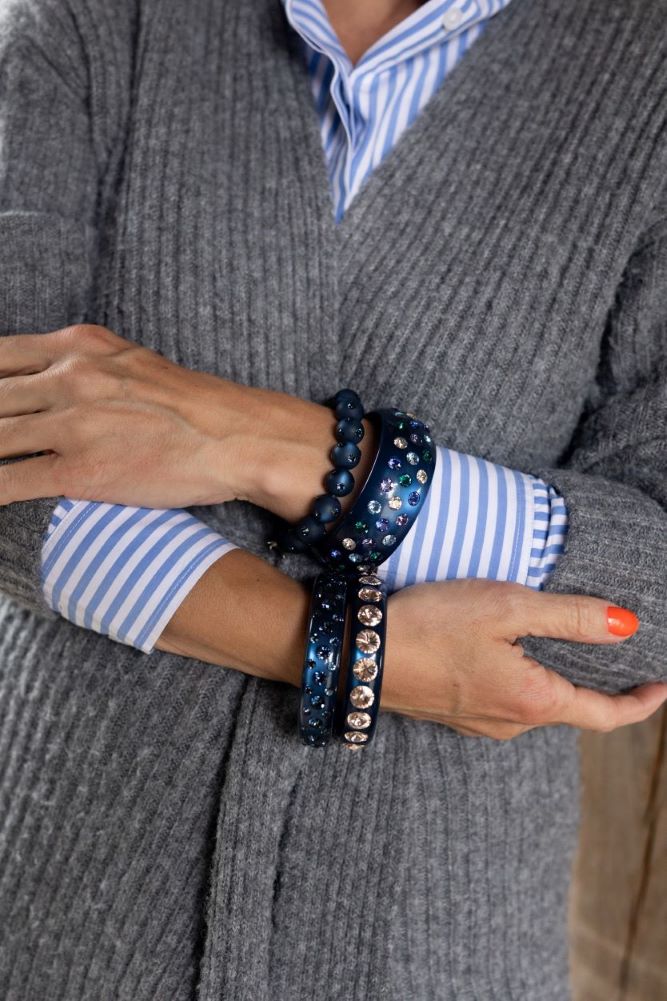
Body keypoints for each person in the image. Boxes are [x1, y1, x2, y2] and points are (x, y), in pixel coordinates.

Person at [0, 0, 665, 997]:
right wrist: (370, 656)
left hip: (438, 938)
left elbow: (645, 603)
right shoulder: (94, 20)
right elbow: (14, 462)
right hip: (60, 906)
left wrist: (257, 440)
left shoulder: (645, 73)